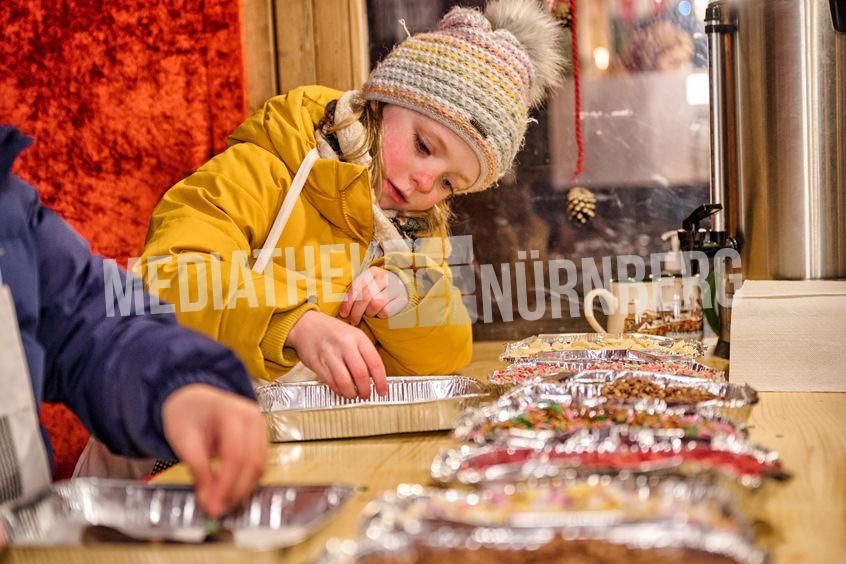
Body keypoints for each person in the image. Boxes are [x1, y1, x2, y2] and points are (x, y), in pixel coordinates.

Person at [140, 0, 565, 398]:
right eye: (423, 146)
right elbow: (167, 275)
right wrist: (294, 324)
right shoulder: (270, 166)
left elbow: (450, 353)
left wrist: (405, 299)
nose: (425, 183)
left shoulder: (416, 229)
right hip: (186, 429)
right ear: (383, 101)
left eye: (450, 183)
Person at [0, 126, 268, 529]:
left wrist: (178, 384)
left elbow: (88, 318)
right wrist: (294, 317)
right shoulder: (250, 171)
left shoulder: (9, 209)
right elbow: (175, 274)